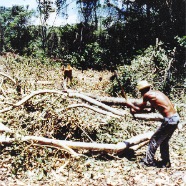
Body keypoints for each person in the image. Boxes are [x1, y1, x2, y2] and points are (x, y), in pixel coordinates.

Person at [126, 80, 180, 168]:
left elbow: (140, 109)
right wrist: (134, 109)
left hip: (169, 120)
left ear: (141, 90)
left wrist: (130, 105)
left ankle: (148, 161)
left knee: (154, 140)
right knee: (164, 141)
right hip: (175, 118)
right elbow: (150, 110)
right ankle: (166, 162)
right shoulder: (156, 93)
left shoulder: (147, 95)